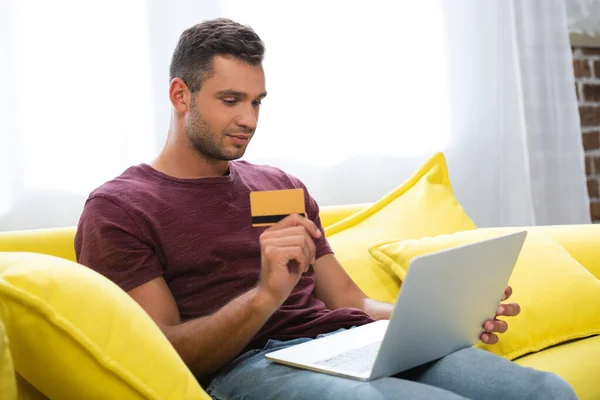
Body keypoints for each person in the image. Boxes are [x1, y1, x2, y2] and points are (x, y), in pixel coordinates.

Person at [74, 18, 577, 400]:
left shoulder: (279, 185)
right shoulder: (120, 209)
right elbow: (165, 351)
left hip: (345, 342)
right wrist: (265, 295)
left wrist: (441, 318)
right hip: (246, 368)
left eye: (257, 102)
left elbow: (350, 302)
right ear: (180, 95)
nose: (248, 119)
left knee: (546, 391)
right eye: (231, 100)